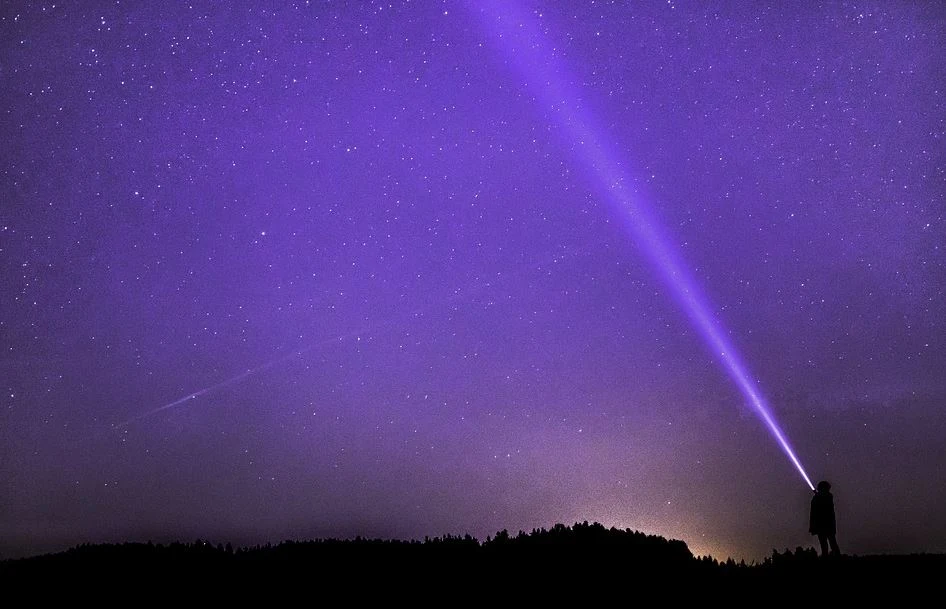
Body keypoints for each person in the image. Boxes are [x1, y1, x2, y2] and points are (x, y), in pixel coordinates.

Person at [809, 480, 841, 557]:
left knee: (830, 543)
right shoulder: (824, 496)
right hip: (823, 524)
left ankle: (834, 557)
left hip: (825, 524)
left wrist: (817, 495)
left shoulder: (827, 496)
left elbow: (822, 506)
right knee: (826, 544)